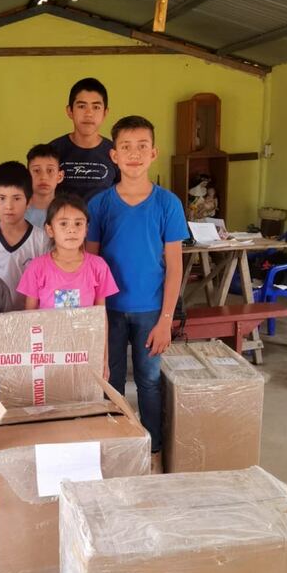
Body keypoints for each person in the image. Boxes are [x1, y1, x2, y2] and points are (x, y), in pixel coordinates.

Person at [86, 115, 189, 472]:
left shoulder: (168, 204)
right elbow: (91, 265)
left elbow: (174, 267)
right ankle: (116, 449)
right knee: (110, 381)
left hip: (150, 312)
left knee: (148, 382)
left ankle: (153, 450)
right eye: (126, 147)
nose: (134, 154)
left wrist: (166, 320)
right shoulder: (100, 205)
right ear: (114, 155)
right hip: (109, 311)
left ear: (154, 153)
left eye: (142, 146)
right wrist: (94, 318)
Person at [18, 193, 118, 310]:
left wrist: (104, 329)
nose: (72, 230)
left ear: (86, 229)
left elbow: (100, 314)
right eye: (63, 223)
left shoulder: (98, 266)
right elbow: (30, 314)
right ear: (50, 230)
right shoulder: (36, 267)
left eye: (78, 223)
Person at [0, 161, 51, 309]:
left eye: (17, 198)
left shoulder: (42, 240)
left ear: (29, 201)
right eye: (1, 198)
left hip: (30, 319)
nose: (9, 206)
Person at [50, 77, 119, 202]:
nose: (89, 113)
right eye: (81, 106)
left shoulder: (116, 154)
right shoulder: (52, 151)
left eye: (96, 107)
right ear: (70, 111)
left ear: (105, 113)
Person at [24, 143, 64, 228]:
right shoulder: (16, 211)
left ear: (60, 176)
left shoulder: (67, 212)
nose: (43, 177)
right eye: (37, 171)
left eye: (50, 170)